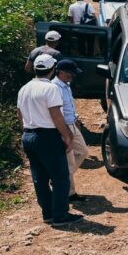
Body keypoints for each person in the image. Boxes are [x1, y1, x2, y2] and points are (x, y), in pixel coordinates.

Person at [17, 54, 82, 226]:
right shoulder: (50, 88)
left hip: (29, 135)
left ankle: (47, 214)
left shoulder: (24, 88)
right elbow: (56, 115)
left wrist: (26, 133)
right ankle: (60, 215)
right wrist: (67, 136)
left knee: (40, 178)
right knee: (60, 177)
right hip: (47, 136)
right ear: (53, 69)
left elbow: (20, 115)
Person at [53, 59, 90, 202]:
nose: (73, 76)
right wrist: (64, 132)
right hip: (65, 127)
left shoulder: (66, 85)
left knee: (83, 152)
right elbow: (57, 112)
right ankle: (69, 192)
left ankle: (62, 180)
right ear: (62, 72)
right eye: (71, 73)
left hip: (73, 124)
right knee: (68, 163)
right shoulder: (54, 88)